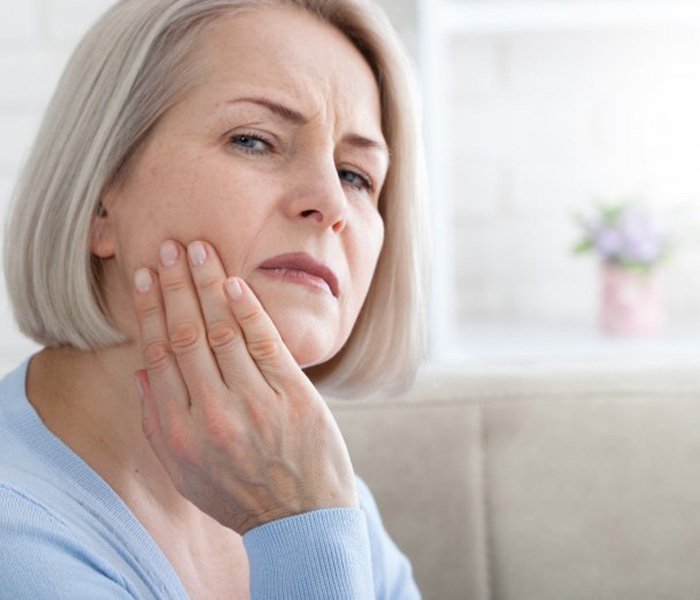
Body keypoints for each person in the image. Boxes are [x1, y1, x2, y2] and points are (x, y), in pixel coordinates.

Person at [0, 0, 427, 597]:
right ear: (99, 198)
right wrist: (299, 528)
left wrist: (308, 515)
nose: (330, 203)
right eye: (255, 140)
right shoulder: (15, 542)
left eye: (357, 175)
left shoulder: (325, 496)